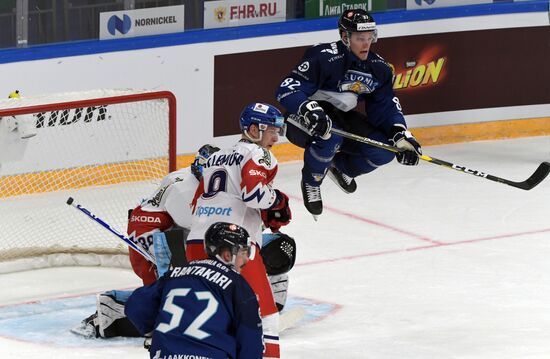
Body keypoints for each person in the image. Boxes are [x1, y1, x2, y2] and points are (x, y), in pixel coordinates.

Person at [275, 9, 422, 216]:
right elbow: (287, 89)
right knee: (330, 134)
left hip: (340, 118)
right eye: (360, 38)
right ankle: (311, 181)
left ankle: (342, 168)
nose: (366, 44)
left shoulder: (378, 68)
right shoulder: (322, 57)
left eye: (370, 37)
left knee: (385, 150)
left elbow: (385, 107)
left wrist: (400, 133)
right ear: (345, 37)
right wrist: (309, 109)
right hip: (303, 119)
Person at [71, 144, 220, 339]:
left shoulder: (190, 176)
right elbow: (195, 226)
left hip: (164, 231)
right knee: (170, 294)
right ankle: (107, 311)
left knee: (177, 293)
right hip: (149, 234)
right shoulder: (184, 189)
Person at [186, 102, 292, 359]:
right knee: (264, 313)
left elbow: (196, 204)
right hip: (234, 246)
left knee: (215, 317)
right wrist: (277, 200)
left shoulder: (213, 158)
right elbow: (254, 194)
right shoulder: (259, 154)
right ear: (254, 129)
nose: (276, 138)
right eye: (271, 131)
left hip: (196, 242)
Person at [125, 222, 264, 359]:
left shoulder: (175, 273)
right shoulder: (238, 284)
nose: (247, 258)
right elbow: (251, 338)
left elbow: (135, 305)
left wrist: (151, 331)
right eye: (244, 252)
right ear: (228, 255)